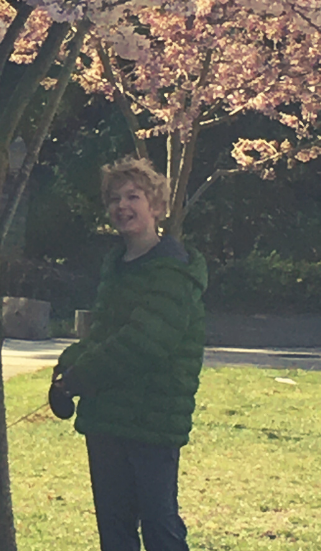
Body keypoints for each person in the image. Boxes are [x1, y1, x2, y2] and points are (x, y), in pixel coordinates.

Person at [50, 157, 207, 551]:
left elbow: (143, 342)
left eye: (133, 196)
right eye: (114, 199)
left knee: (160, 528)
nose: (123, 206)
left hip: (152, 421)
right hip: (107, 419)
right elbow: (103, 335)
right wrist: (65, 368)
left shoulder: (174, 271)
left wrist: (80, 378)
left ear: (156, 206)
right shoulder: (117, 268)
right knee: (115, 531)